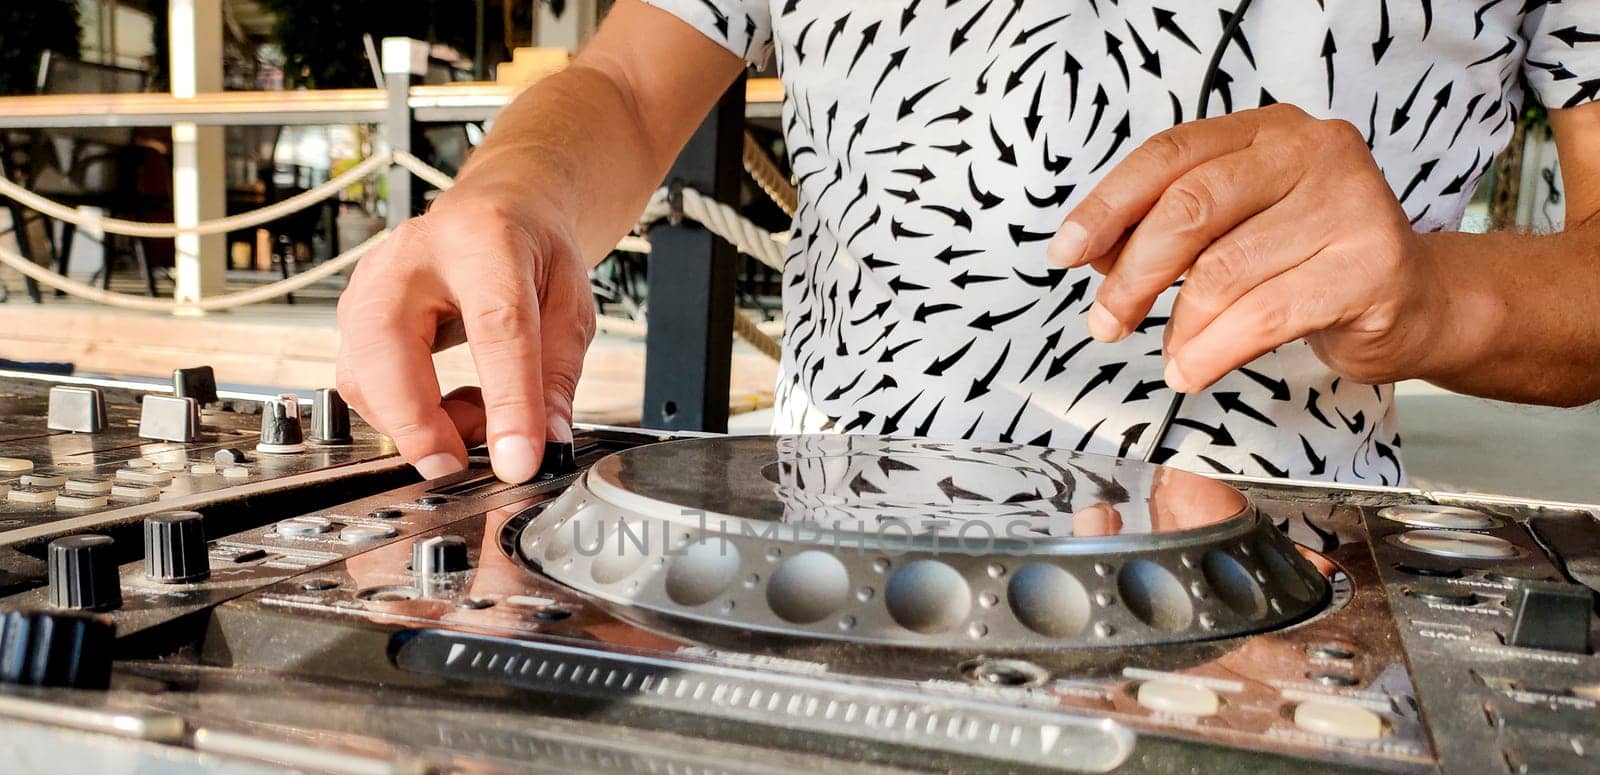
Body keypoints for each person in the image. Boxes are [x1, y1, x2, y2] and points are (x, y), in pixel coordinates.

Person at [335, 0, 1600, 488]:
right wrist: (510, 193)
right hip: (826, 603)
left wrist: (1434, 296)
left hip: (1288, 620)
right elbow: (620, 78)